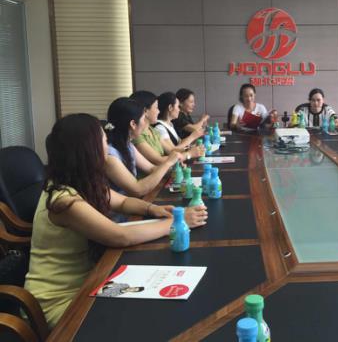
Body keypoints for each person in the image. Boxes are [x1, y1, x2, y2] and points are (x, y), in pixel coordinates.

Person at [24, 114, 206, 329]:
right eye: (103, 140)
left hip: (91, 280)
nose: (107, 145)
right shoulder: (64, 200)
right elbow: (120, 236)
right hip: (62, 302)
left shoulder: (80, 182)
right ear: (88, 150)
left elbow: (123, 202)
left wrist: (153, 209)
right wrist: (177, 222)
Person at [104, 97, 183, 197]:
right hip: (123, 204)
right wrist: (168, 163)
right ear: (133, 124)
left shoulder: (127, 145)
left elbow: (151, 168)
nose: (145, 123)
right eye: (143, 119)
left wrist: (174, 170)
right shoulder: (110, 155)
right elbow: (137, 189)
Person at [130, 91, 203, 165]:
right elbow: (159, 160)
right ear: (145, 111)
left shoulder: (153, 130)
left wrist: (190, 150)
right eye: (156, 108)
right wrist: (188, 154)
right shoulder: (139, 136)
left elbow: (171, 151)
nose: (158, 111)